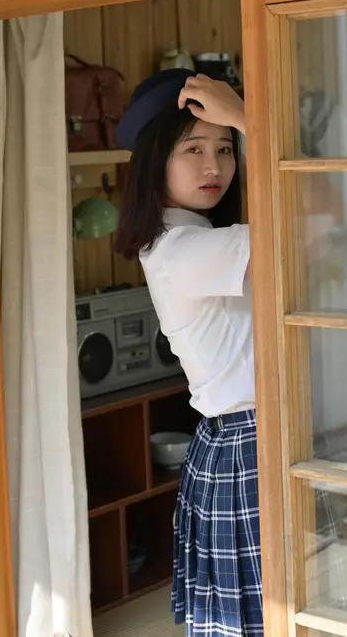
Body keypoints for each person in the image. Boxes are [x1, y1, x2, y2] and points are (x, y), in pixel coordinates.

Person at [114, 70, 262, 637]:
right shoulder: (184, 248)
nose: (214, 166)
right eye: (193, 149)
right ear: (156, 162)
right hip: (246, 446)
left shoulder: (195, 238)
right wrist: (247, 116)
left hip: (237, 443)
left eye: (225, 147)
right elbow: (314, 217)